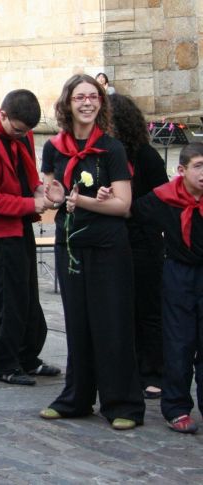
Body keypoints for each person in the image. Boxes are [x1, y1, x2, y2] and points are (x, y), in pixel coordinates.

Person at [39, 73, 145, 430]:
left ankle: (123, 404)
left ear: (101, 104)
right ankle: (77, 397)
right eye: (80, 97)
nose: (87, 103)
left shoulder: (112, 149)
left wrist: (81, 200)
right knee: (78, 324)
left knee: (112, 324)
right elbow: (49, 195)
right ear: (68, 104)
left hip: (108, 248)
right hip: (70, 245)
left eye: (93, 97)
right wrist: (52, 198)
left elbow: (124, 205)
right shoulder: (53, 148)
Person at [0, 89, 61, 386]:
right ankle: (5, 363)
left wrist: (37, 190)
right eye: (19, 130)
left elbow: (26, 176)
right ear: (4, 115)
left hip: (19, 224)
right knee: (9, 300)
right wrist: (30, 204)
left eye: (27, 131)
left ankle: (27, 357)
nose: (23, 135)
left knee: (27, 296)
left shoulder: (19, 134)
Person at [131, 143, 203, 434]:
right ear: (181, 170)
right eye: (198, 166)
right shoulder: (165, 198)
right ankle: (176, 407)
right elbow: (131, 214)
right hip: (178, 276)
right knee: (179, 343)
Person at [108, 93, 168, 400]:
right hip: (113, 241)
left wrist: (129, 208)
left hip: (143, 241)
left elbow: (162, 198)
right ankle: (127, 369)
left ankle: (154, 372)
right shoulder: (105, 155)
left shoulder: (146, 156)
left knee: (148, 309)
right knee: (121, 309)